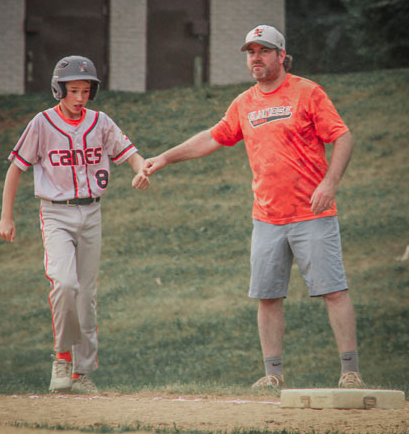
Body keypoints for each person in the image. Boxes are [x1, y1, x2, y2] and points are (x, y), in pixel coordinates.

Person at [144, 25, 364, 391]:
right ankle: (273, 375)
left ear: (281, 56)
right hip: (267, 217)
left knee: (334, 290)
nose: (256, 58)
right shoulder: (244, 103)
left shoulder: (307, 92)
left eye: (263, 51)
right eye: (250, 52)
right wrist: (165, 158)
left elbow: (343, 136)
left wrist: (329, 183)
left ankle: (350, 371)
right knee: (267, 296)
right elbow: (212, 137)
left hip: (312, 213)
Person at [0, 55, 150, 394]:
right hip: (55, 213)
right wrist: (6, 216)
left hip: (92, 213)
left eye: (86, 90)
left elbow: (128, 152)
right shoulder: (42, 123)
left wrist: (140, 169)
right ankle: (62, 357)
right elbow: (15, 169)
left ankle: (81, 374)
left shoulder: (100, 122)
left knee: (87, 296)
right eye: (73, 90)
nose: (80, 97)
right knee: (65, 284)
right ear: (59, 89)